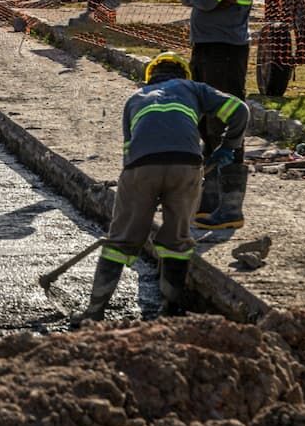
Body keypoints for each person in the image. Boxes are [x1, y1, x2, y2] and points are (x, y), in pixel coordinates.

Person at [75, 52, 249, 323]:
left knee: (119, 243)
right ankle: (170, 312)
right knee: (176, 242)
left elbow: (128, 153)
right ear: (184, 74)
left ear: (150, 77)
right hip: (187, 166)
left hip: (140, 169)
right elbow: (240, 110)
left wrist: (139, 196)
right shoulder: (194, 89)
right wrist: (229, 146)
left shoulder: (135, 98)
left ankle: (94, 312)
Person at [179, 0, 257, 231]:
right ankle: (209, 198)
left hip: (227, 50)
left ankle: (230, 206)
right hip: (205, 47)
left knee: (225, 124)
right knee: (205, 124)